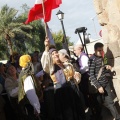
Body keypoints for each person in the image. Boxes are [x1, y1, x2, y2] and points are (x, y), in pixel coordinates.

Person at [41, 38, 86, 120]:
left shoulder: (66, 65)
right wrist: (46, 47)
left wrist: (77, 76)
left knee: (78, 110)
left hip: (73, 90)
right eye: (53, 54)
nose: (55, 55)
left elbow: (75, 75)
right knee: (68, 114)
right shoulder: (51, 68)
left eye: (56, 53)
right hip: (61, 93)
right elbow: (45, 64)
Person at [89, 42, 120, 120]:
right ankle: (98, 117)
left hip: (106, 84)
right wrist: (98, 86)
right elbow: (91, 75)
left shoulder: (101, 57)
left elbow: (101, 68)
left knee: (110, 102)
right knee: (98, 104)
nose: (101, 52)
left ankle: (117, 117)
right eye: (99, 50)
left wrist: (106, 66)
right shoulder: (92, 60)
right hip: (98, 86)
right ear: (95, 50)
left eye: (102, 50)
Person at [18, 55, 41, 120]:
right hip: (31, 106)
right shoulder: (27, 75)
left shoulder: (23, 73)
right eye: (30, 61)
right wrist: (37, 108)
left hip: (29, 105)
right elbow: (30, 93)